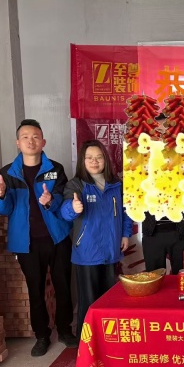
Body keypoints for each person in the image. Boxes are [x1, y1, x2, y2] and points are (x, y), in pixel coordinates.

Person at [0, 119, 77, 357]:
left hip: (57, 238)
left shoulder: (55, 169)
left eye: (36, 136)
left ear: (43, 142)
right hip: (26, 242)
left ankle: (65, 330)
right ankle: (41, 336)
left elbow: (63, 201)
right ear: (18, 143)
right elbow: (2, 209)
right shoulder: (6, 174)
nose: (31, 141)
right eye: (25, 137)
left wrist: (50, 201)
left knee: (63, 286)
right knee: (35, 290)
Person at [61, 140, 133, 338]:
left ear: (105, 160)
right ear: (82, 161)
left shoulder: (116, 185)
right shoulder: (76, 185)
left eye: (99, 157)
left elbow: (126, 213)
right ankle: (85, 343)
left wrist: (125, 234)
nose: (94, 162)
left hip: (111, 250)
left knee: (109, 299)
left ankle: (106, 341)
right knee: (89, 302)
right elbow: (65, 211)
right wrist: (73, 208)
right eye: (89, 158)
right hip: (87, 252)